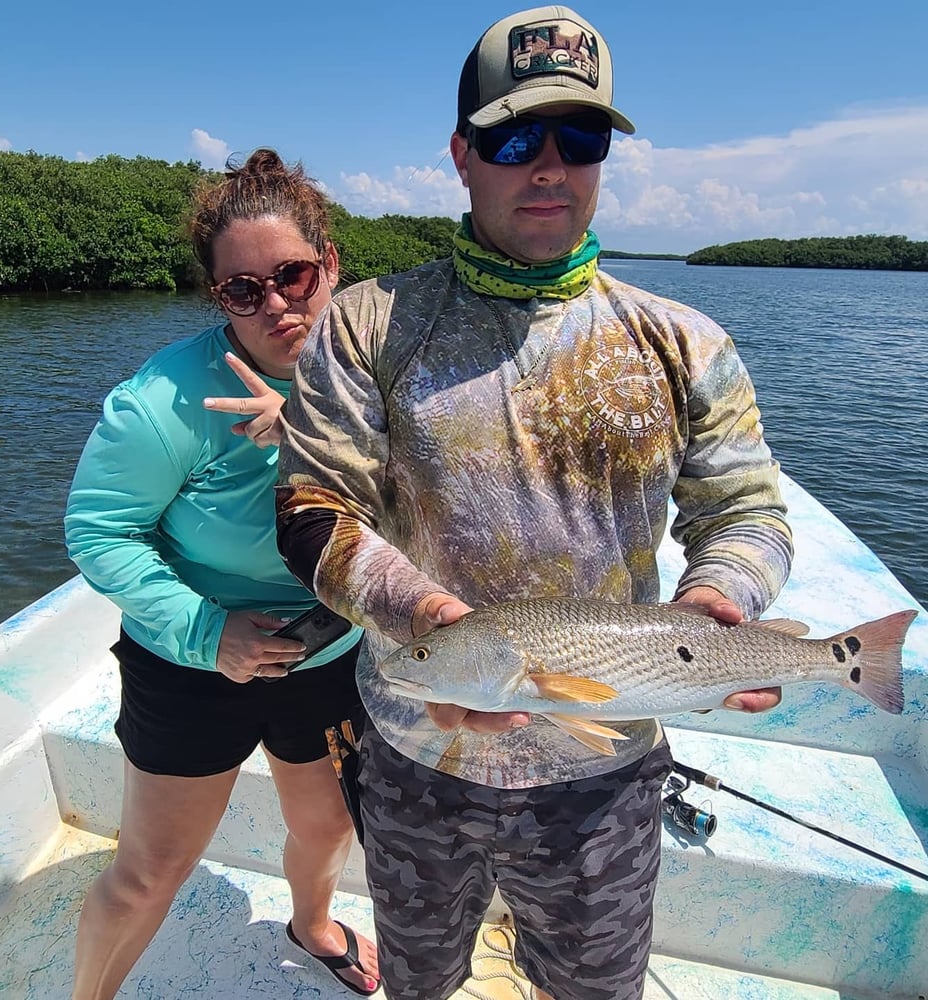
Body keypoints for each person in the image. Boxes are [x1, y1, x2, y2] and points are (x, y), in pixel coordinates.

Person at [274, 7, 794, 1000]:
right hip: (416, 752)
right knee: (421, 981)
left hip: (605, 772)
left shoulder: (683, 340)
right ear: (464, 155)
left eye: (579, 136)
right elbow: (313, 512)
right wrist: (432, 621)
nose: (547, 164)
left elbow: (748, 515)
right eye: (515, 137)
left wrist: (720, 598)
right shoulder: (369, 325)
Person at [64, 149, 379, 999]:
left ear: (331, 267)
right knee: (149, 872)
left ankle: (312, 924)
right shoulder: (161, 402)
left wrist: (305, 430)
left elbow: (432, 486)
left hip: (329, 647)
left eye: (293, 276)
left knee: (327, 823)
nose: (275, 303)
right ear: (217, 296)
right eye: (244, 289)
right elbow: (99, 532)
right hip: (190, 659)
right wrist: (208, 632)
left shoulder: (374, 370)